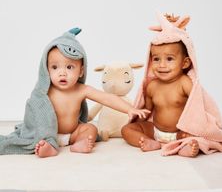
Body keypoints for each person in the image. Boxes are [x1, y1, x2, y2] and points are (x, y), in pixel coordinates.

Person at [0, 28, 150, 158]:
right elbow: (35, 114)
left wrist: (130, 109)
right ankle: (49, 147)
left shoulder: (81, 90)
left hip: (72, 135)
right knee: (43, 137)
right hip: (47, 134)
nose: (62, 73)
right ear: (46, 70)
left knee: (90, 128)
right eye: (55, 67)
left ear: (81, 71)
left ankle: (80, 143)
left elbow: (107, 98)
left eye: (70, 67)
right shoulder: (44, 92)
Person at [122, 13, 202, 157]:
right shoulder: (152, 86)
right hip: (155, 131)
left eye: (169, 59)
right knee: (126, 130)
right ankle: (146, 140)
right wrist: (136, 118)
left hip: (179, 132)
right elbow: (147, 111)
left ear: (185, 63)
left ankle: (184, 145)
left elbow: (197, 106)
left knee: (194, 135)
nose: (162, 65)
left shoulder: (184, 83)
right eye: (156, 59)